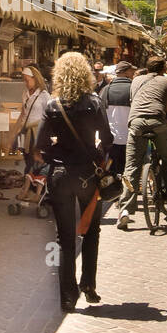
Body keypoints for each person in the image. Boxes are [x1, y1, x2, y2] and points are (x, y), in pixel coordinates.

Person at [36, 51, 113, 311]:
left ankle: (68, 297)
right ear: (85, 74)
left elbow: (41, 145)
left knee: (64, 238)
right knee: (91, 231)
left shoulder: (53, 106)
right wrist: (96, 154)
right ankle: (88, 284)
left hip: (59, 175)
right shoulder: (93, 102)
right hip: (87, 175)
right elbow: (108, 138)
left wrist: (55, 154)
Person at [117, 55, 167, 230]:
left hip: (136, 123)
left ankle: (125, 210)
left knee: (132, 165)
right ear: (163, 69)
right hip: (158, 122)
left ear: (147, 68)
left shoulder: (136, 80)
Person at [7, 66, 50, 174]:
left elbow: (49, 116)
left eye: (27, 80)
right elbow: (23, 114)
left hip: (37, 132)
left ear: (35, 78)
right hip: (25, 132)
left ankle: (31, 184)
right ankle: (31, 183)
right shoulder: (25, 94)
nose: (25, 83)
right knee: (27, 157)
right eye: (24, 80)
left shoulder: (44, 95)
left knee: (34, 160)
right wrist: (13, 133)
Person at [98, 59, 135, 176]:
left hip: (111, 139)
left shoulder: (105, 90)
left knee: (112, 171)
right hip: (131, 138)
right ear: (126, 72)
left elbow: (100, 114)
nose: (133, 73)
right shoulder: (134, 89)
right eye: (131, 71)